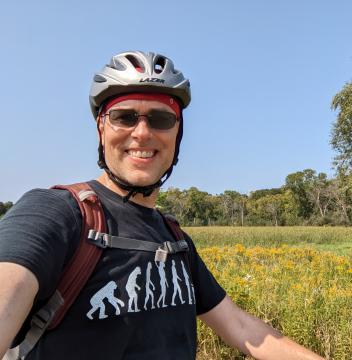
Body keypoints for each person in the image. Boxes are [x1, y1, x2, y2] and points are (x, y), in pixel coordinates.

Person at [0, 51, 324, 360]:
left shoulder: (174, 239)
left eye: (160, 119)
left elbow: (240, 327)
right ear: (101, 128)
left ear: (178, 132)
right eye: (124, 117)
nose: (142, 133)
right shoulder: (56, 212)